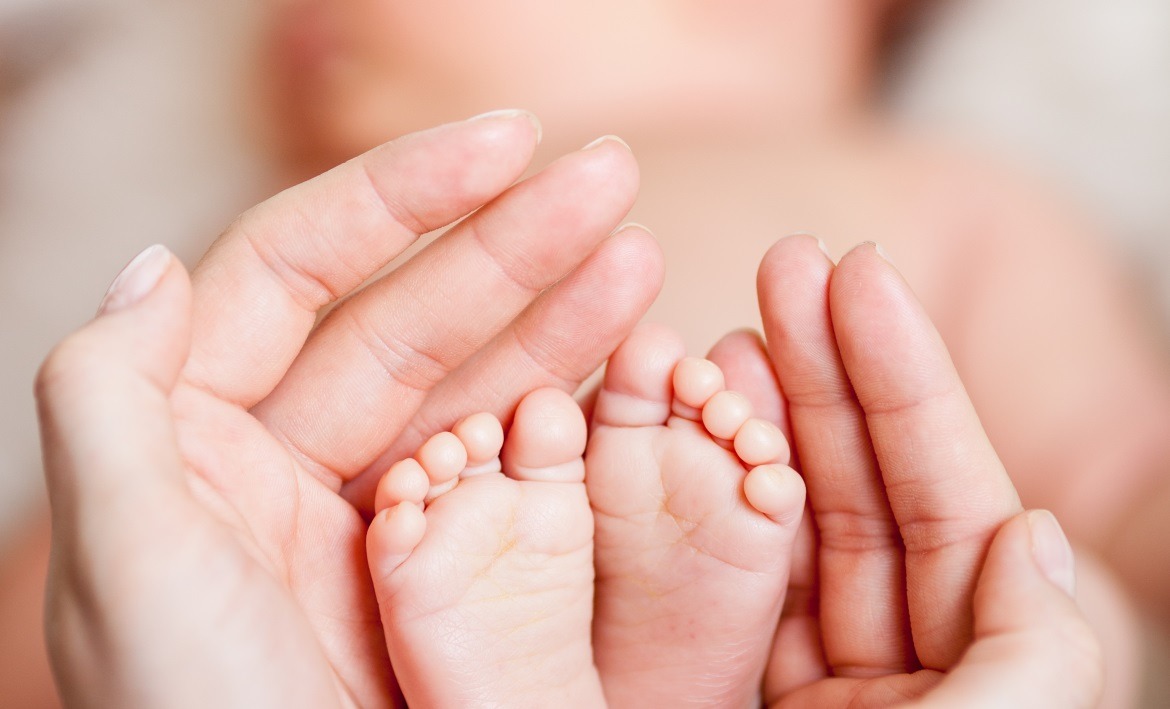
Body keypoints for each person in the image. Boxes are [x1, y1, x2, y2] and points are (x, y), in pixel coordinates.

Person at [37, 115, 1102, 706]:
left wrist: (1074, 598)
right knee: (91, 553)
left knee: (1066, 592)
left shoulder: (937, 183)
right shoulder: (280, 192)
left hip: (823, 608)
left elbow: (1129, 473)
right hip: (287, 551)